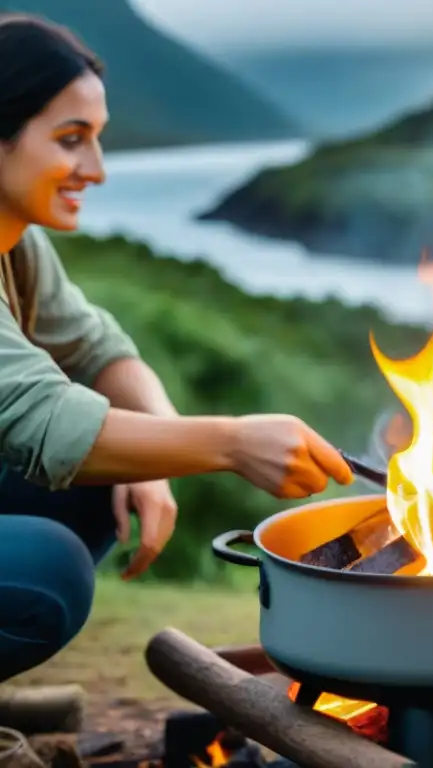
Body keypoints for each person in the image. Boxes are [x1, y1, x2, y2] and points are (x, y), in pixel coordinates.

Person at [0, 14, 355, 685]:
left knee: (107, 482)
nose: (96, 170)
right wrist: (230, 444)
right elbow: (41, 420)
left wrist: (159, 449)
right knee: (49, 571)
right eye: (71, 141)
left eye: (99, 140)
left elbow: (96, 347)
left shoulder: (15, 241)